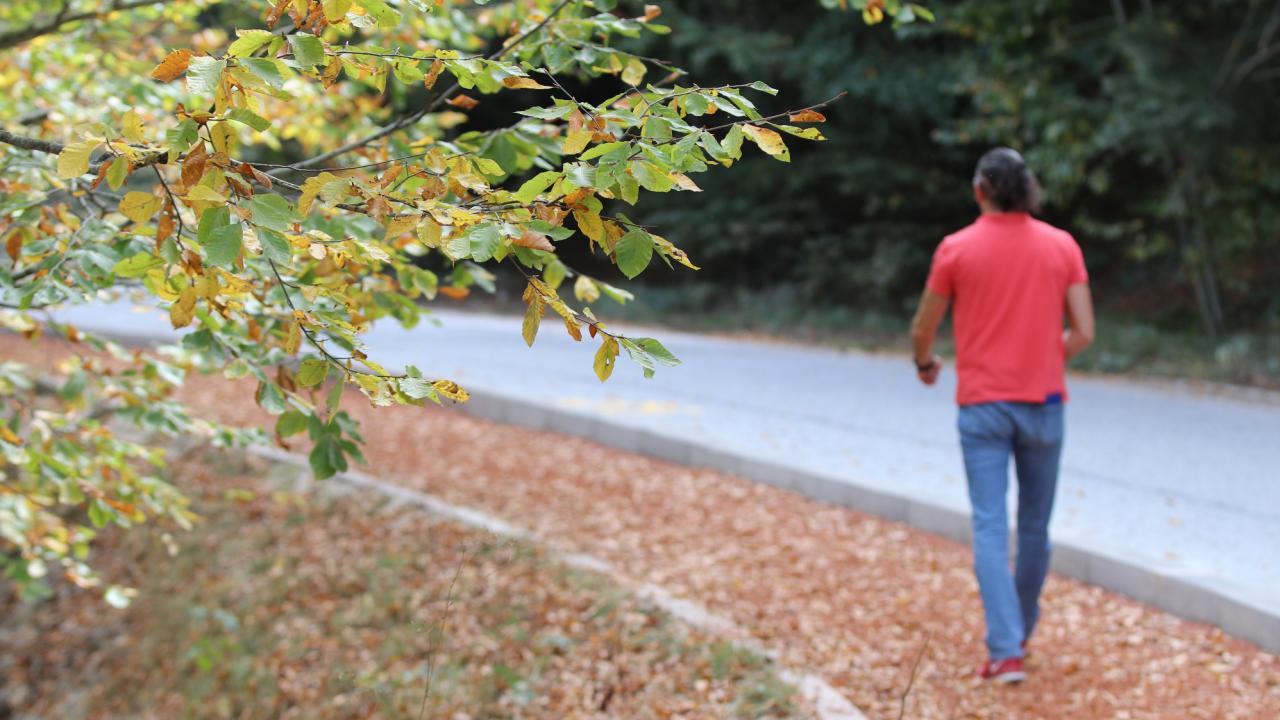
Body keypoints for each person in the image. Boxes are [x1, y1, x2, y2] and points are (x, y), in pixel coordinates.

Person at [910, 147, 1095, 683]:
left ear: (979, 191)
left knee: (991, 527)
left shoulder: (956, 249)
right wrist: (1041, 356)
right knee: (1034, 527)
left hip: (983, 407)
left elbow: (924, 327)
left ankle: (1005, 649)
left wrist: (925, 363)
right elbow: (1083, 332)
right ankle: (1021, 631)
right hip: (1045, 405)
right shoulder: (1062, 246)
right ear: (1029, 189)